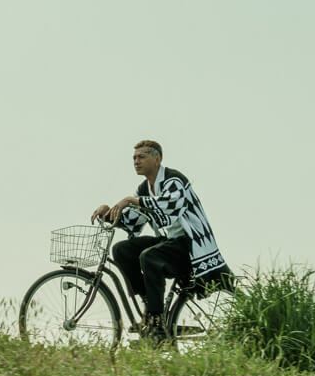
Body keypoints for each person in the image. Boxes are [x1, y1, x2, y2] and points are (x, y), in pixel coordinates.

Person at [91, 139, 232, 341]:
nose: (136, 161)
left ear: (157, 159)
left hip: (190, 246)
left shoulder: (174, 180)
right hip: (170, 243)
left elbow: (168, 206)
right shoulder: (145, 188)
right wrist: (107, 213)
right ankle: (150, 305)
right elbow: (133, 220)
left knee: (149, 257)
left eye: (142, 157)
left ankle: (157, 322)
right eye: (134, 158)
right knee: (122, 249)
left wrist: (131, 200)